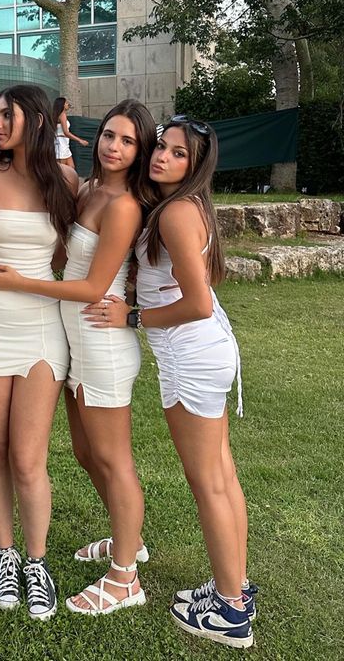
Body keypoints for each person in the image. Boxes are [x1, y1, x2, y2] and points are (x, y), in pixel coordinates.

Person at [84, 115, 255, 649]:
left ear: (195, 165)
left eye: (178, 154)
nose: (161, 158)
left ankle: (230, 611)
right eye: (162, 148)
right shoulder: (182, 206)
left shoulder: (178, 213)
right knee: (221, 477)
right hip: (206, 353)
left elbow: (198, 303)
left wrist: (132, 317)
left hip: (191, 355)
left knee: (209, 483)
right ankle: (236, 591)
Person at [0, 99, 156, 616]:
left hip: (100, 342)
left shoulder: (122, 204)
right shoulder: (86, 188)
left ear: (140, 150)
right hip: (74, 342)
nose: (114, 147)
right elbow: (63, 246)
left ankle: (125, 576)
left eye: (127, 141)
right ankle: (130, 540)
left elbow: (92, 285)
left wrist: (23, 282)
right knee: (86, 454)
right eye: (109, 135)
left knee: (114, 460)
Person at [0, 84, 77, 621]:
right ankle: (5, 554)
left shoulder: (65, 184)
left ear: (35, 120)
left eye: (8, 114)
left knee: (28, 459)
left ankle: (37, 562)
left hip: (39, 326)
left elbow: (76, 255)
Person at [53, 97, 89, 168]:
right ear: (62, 105)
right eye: (66, 103)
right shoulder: (62, 115)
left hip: (65, 145)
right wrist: (80, 140)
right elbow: (66, 132)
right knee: (63, 171)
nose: (68, 104)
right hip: (61, 145)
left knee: (71, 168)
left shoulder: (60, 115)